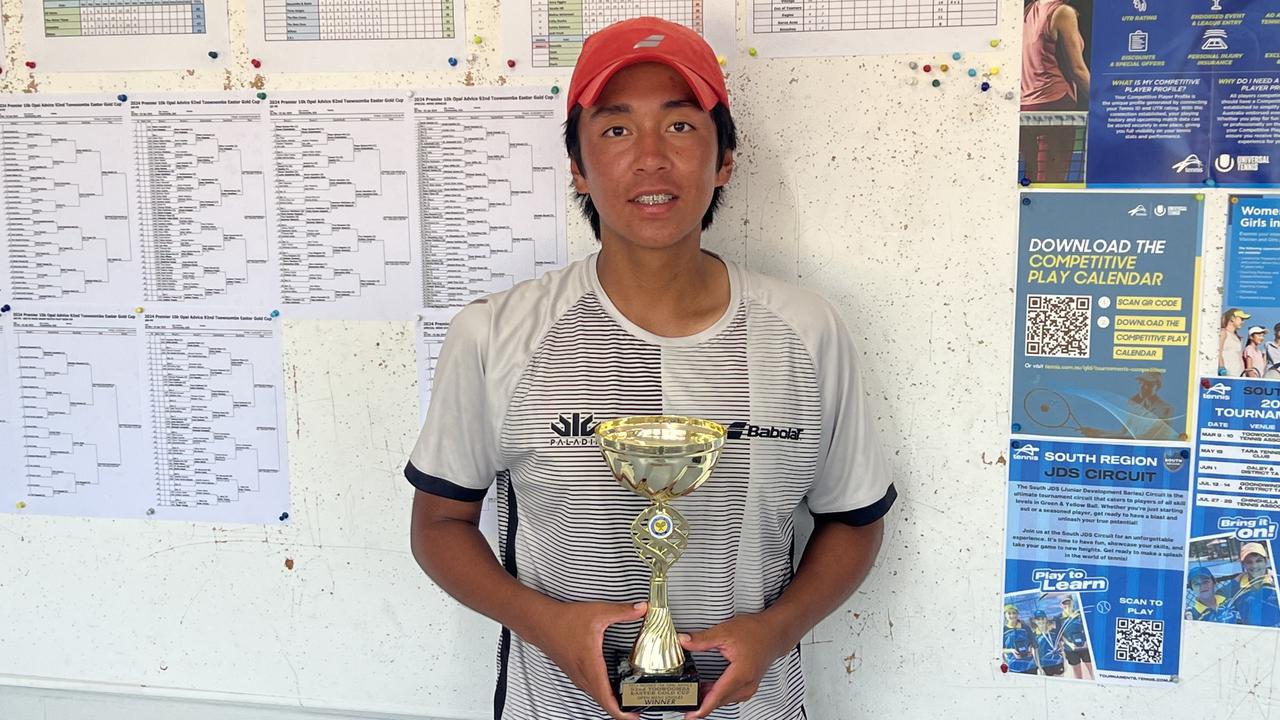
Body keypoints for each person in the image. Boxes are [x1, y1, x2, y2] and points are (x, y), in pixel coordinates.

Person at [403, 17, 895, 720]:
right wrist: (548, 625)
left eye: (681, 126)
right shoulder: (496, 333)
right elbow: (439, 526)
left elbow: (853, 519)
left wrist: (776, 631)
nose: (651, 158)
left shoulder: (807, 332)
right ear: (577, 164)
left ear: (725, 158)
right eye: (615, 129)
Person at [1020, 0, 1091, 183]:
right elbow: (1078, 69)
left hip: (1025, 110)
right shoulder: (1063, 13)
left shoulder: (1027, 10)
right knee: (1052, 183)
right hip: (1056, 105)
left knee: (1031, 182)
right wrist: (1104, 105)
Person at [1223, 543, 1280, 627]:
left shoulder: (1276, 581)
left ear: (1266, 561)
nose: (1254, 565)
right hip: (1251, 635)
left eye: (1258, 560)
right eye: (1249, 562)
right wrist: (1235, 581)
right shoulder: (1235, 586)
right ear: (1243, 564)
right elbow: (1216, 600)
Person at [1057, 594, 1093, 680]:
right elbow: (1060, 635)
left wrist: (1087, 642)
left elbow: (1089, 628)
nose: (1067, 605)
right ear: (1061, 605)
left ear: (1072, 603)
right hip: (1071, 649)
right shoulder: (1058, 618)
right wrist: (1070, 644)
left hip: (1085, 647)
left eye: (1069, 602)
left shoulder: (1080, 614)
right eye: (1064, 603)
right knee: (1077, 673)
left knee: (1092, 670)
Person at [1003, 605, 1038, 675]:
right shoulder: (1003, 631)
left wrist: (1030, 648)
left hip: (1030, 666)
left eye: (1014, 613)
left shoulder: (1025, 628)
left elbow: (1034, 644)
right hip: (1014, 667)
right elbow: (999, 649)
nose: (1012, 615)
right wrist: (1011, 651)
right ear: (1005, 615)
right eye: (1009, 613)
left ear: (1017, 614)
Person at [1031, 609, 1065, 676]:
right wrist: (1039, 667)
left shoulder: (1054, 631)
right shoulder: (1034, 635)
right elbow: (1035, 652)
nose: (1041, 621)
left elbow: (1060, 646)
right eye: (1038, 619)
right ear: (1035, 621)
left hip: (1058, 662)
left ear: (1046, 619)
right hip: (1045, 664)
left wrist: (1064, 661)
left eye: (1043, 618)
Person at [1219, 308, 1249, 377]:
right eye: (1241, 319)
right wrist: (1221, 368)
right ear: (1232, 318)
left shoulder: (1238, 337)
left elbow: (1239, 357)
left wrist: (1243, 373)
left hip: (1238, 374)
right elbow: (1218, 352)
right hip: (1226, 373)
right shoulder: (1223, 332)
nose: (1243, 322)